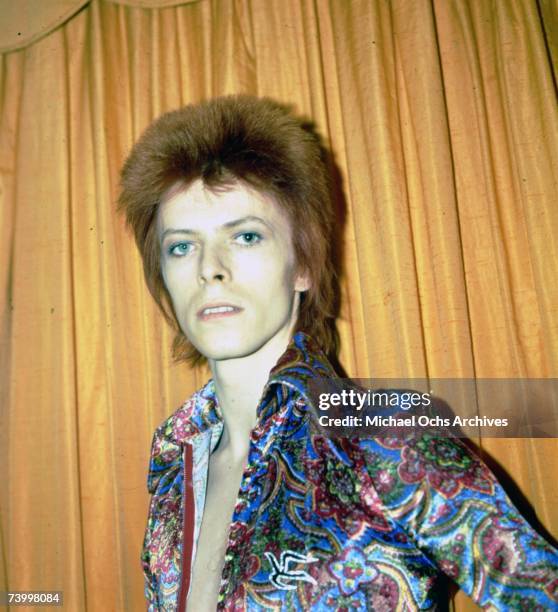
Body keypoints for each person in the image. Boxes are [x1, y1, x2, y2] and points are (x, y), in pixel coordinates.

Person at [119, 96, 558, 611]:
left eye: (245, 236)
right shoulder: (175, 469)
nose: (209, 269)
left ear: (302, 266)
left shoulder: (383, 436)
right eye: (181, 246)